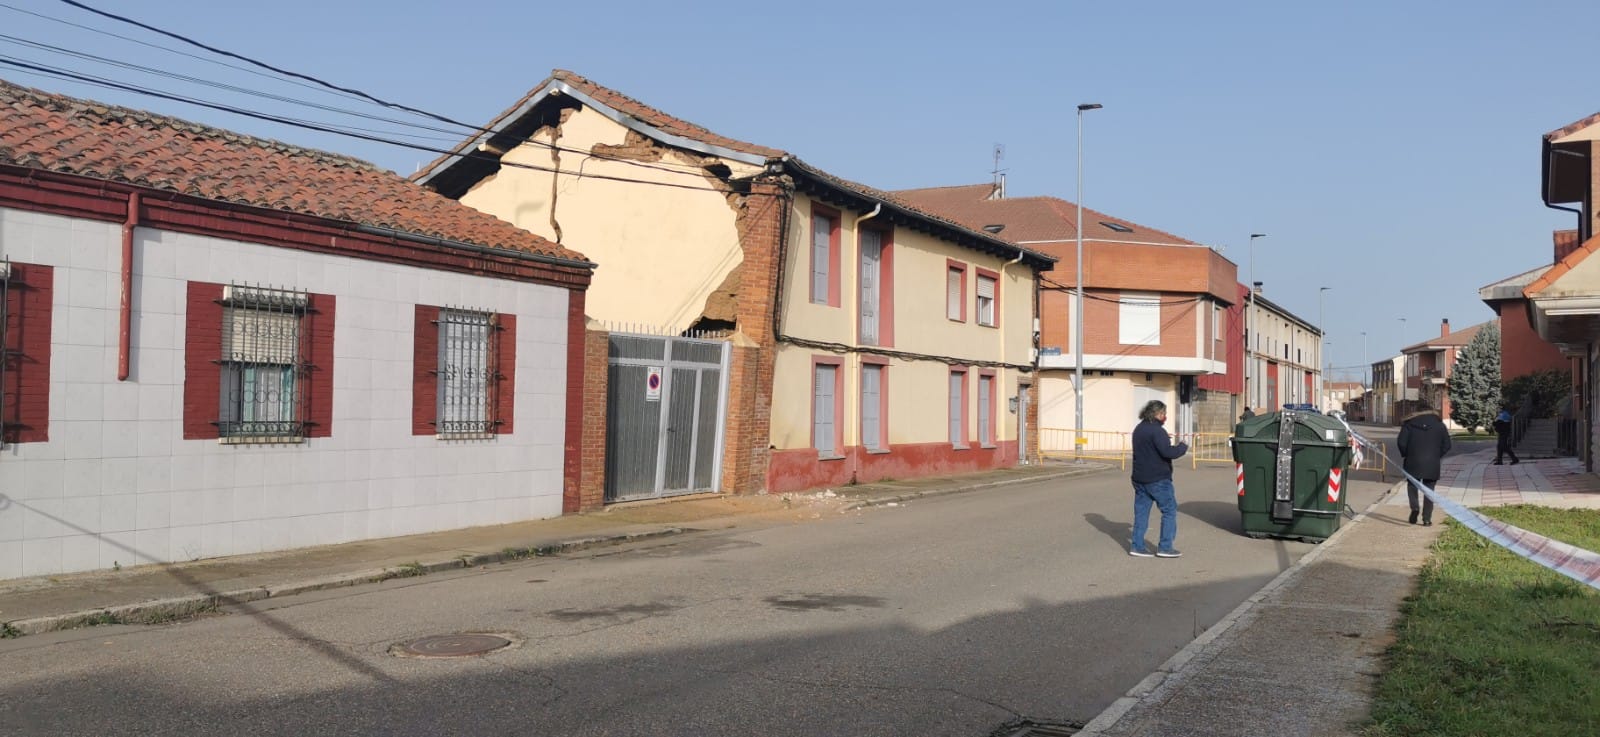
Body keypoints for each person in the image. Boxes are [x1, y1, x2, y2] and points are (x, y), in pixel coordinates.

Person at [1129, 400, 1189, 558]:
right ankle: (1165, 547)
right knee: (1169, 510)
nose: (1165, 416)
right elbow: (1168, 452)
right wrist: (1182, 446)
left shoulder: (1139, 428)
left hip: (1139, 478)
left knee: (1141, 513)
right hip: (1158, 479)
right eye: (1164, 413)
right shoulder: (1157, 431)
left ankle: (1137, 545)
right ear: (1158, 413)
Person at [1397, 398, 1451, 526]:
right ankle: (1427, 519)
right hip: (1432, 463)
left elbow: (1401, 442)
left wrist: (1406, 454)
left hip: (1413, 461)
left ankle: (1415, 507)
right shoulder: (1440, 425)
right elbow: (1447, 445)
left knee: (1412, 486)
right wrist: (1437, 455)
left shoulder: (1409, 424)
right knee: (1429, 490)